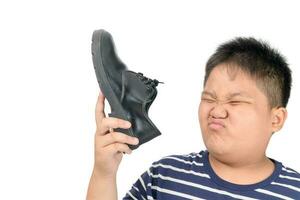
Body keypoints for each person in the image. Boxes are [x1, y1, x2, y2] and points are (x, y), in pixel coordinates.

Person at [86, 37, 300, 199]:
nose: (217, 111)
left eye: (235, 102)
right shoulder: (165, 176)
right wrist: (104, 172)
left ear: (276, 119)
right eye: (209, 98)